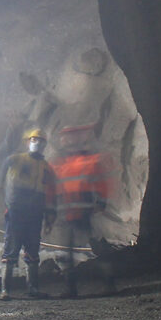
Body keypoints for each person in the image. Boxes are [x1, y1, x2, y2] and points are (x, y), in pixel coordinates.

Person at [52, 124, 114, 297]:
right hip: (68, 215)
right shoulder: (62, 165)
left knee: (94, 250)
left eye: (68, 137)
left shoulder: (88, 162)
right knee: (67, 254)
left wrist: (101, 203)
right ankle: (71, 288)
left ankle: (108, 283)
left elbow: (100, 184)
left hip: (84, 214)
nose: (64, 141)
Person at [0, 127, 57, 300]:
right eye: (33, 139)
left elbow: (51, 193)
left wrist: (50, 215)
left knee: (32, 251)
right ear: (27, 141)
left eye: (40, 140)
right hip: (16, 212)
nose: (36, 143)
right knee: (11, 250)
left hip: (35, 214)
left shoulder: (47, 168)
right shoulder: (14, 160)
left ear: (44, 144)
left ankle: (33, 288)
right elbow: (0, 183)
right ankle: (5, 290)